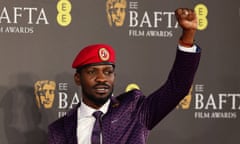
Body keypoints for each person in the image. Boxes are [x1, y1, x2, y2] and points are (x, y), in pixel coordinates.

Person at [48, 8, 201, 144]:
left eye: (108, 72)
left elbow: (178, 88)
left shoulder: (134, 110)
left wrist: (188, 36)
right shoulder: (59, 130)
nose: (102, 78)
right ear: (77, 78)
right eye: (92, 72)